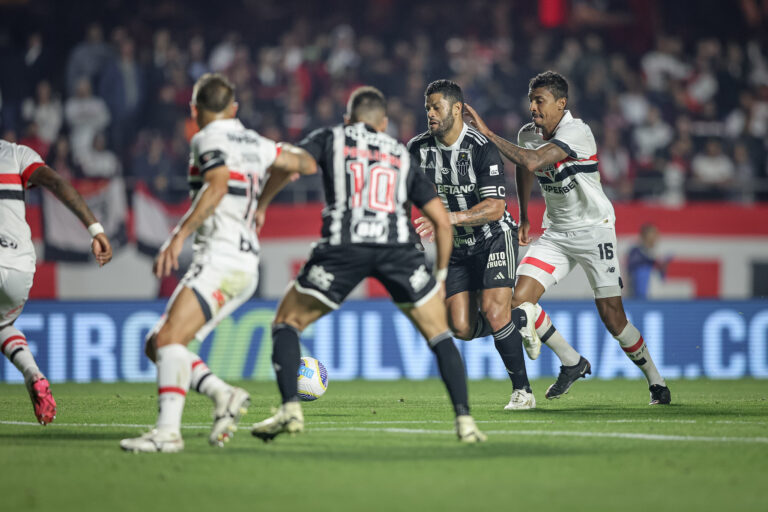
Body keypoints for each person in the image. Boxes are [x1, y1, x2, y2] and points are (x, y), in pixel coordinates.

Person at [250, 86, 486, 443]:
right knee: (439, 334)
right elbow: (439, 220)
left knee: (287, 321)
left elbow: (291, 164)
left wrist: (264, 202)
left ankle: (289, 411)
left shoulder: (332, 137)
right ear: (384, 123)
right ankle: (465, 423)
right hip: (397, 249)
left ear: (348, 119)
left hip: (345, 246)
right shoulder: (400, 152)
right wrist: (438, 276)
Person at [120, 73, 316, 453]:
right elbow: (304, 163)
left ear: (194, 111)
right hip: (243, 262)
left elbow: (219, 184)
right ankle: (223, 395)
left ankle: (167, 433)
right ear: (234, 108)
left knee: (169, 341)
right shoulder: (257, 142)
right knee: (158, 344)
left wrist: (178, 235)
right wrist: (263, 201)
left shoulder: (206, 138)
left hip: (221, 257)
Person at [463, 71, 671, 405]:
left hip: (594, 230)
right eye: (531, 100)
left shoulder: (579, 131)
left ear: (561, 103)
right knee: (518, 300)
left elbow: (532, 159)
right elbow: (525, 166)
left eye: (540, 100)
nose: (533, 106)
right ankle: (572, 362)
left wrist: (486, 133)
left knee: (613, 317)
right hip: (556, 232)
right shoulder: (527, 134)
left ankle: (656, 382)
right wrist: (527, 216)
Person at [406, 79, 541, 411]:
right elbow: (402, 193)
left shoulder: (480, 147)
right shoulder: (417, 149)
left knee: (495, 312)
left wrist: (448, 219)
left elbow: (495, 207)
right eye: (427, 108)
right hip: (456, 249)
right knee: (461, 327)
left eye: (436, 107)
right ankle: (522, 320)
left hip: (494, 236)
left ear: (456, 109)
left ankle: (523, 392)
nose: (430, 114)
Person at [0, 138, 113, 425]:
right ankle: (33, 374)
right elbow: (58, 184)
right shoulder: (16, 153)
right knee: (2, 324)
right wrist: (95, 229)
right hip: (19, 266)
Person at [627, 224, 670, 299]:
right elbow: (632, 273)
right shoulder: (636, 252)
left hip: (658, 296)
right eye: (651, 235)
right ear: (643, 236)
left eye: (655, 234)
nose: (654, 238)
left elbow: (662, 276)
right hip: (640, 296)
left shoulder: (658, 253)